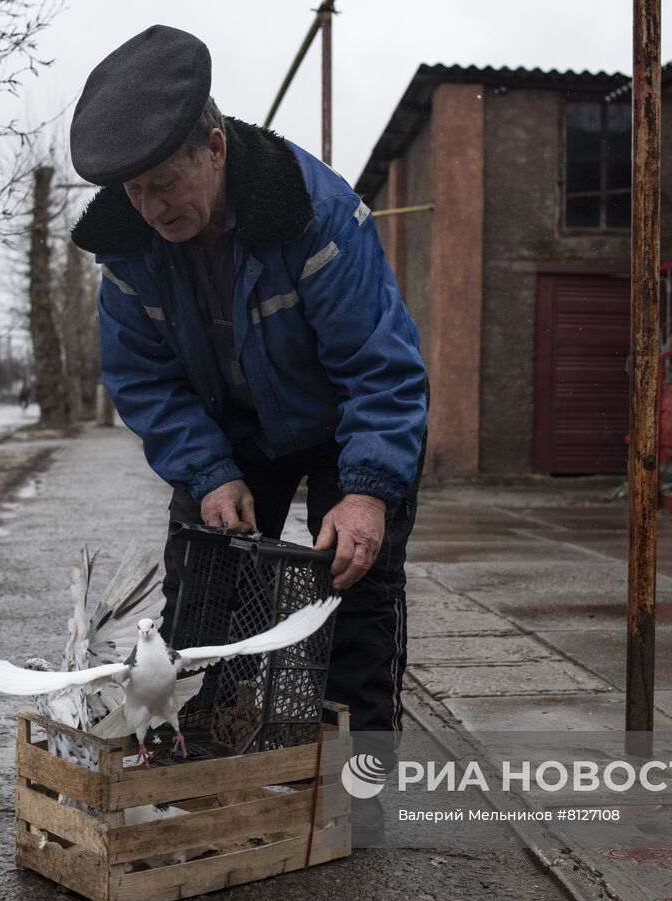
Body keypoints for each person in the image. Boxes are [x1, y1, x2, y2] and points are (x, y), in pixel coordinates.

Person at [68, 26, 428, 841]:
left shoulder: (317, 215)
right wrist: (208, 470)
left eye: (166, 183)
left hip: (344, 419)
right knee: (204, 590)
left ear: (216, 147)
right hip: (232, 428)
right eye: (136, 191)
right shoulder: (128, 254)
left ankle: (354, 803)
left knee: (355, 595)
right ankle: (205, 773)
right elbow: (143, 380)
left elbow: (380, 367)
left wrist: (368, 490)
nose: (153, 207)